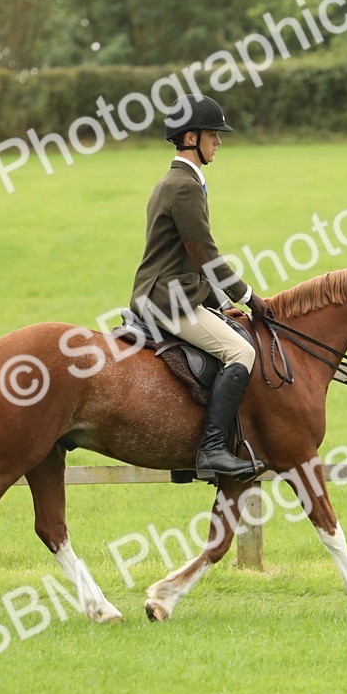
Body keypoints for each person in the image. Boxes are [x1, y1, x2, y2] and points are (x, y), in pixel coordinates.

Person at [129, 94, 269, 480]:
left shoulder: (175, 181)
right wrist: (248, 297)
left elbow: (188, 258)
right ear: (191, 137)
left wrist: (218, 305)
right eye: (213, 134)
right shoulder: (185, 187)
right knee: (240, 351)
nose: (219, 141)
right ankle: (210, 452)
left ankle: (184, 454)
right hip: (167, 301)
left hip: (170, 292)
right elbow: (206, 254)